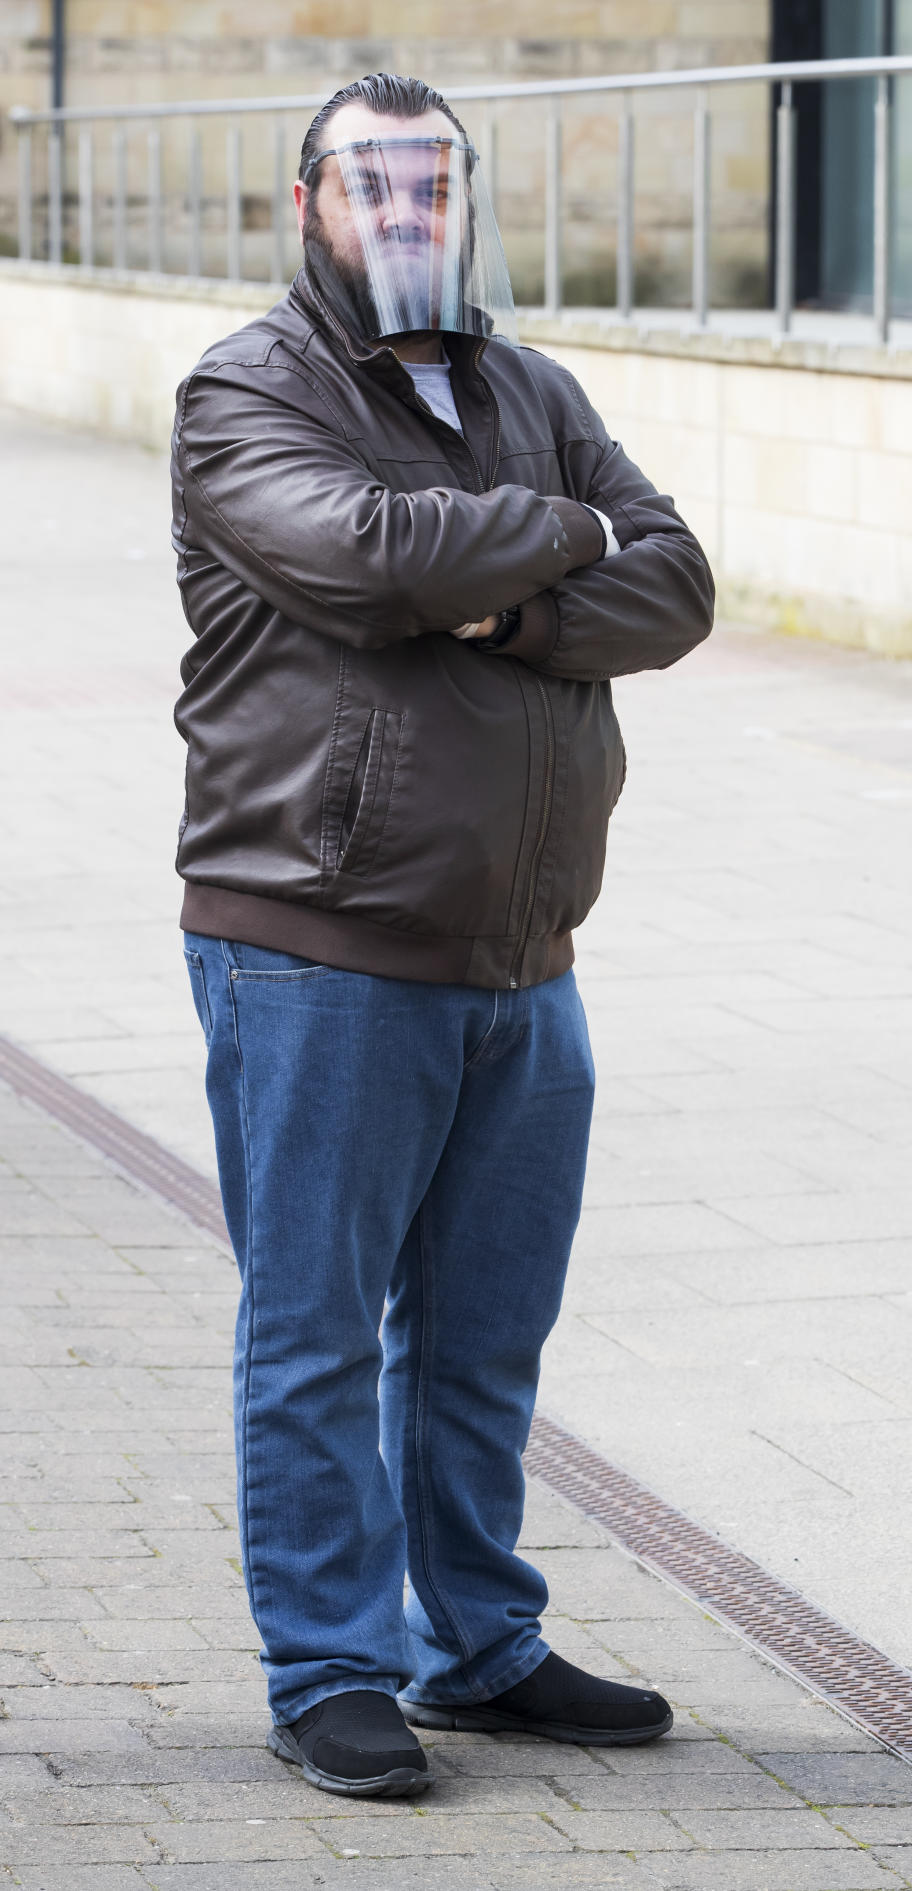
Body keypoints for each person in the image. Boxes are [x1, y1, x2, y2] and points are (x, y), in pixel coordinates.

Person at [170, 71, 715, 1800]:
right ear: (309, 204)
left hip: (522, 957)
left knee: (482, 1335)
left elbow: (683, 581)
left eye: (433, 186)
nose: (407, 216)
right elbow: (353, 550)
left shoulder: (529, 383)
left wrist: (493, 586)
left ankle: (473, 1640)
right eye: (370, 186)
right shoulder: (248, 387)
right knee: (317, 1329)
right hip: (321, 939)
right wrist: (565, 544)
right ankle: (331, 1663)